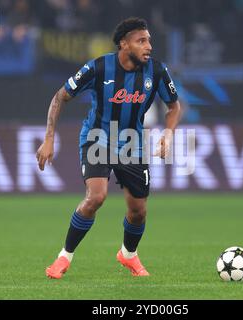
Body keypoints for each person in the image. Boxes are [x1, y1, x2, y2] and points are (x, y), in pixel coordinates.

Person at [36, 17, 181, 278]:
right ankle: (63, 258)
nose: (149, 46)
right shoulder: (99, 68)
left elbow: (174, 106)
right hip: (97, 138)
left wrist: (168, 135)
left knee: (138, 211)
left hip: (132, 143)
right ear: (124, 45)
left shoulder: (157, 71)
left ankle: (128, 255)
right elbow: (60, 96)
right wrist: (49, 138)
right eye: (141, 41)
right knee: (96, 197)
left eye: (149, 40)